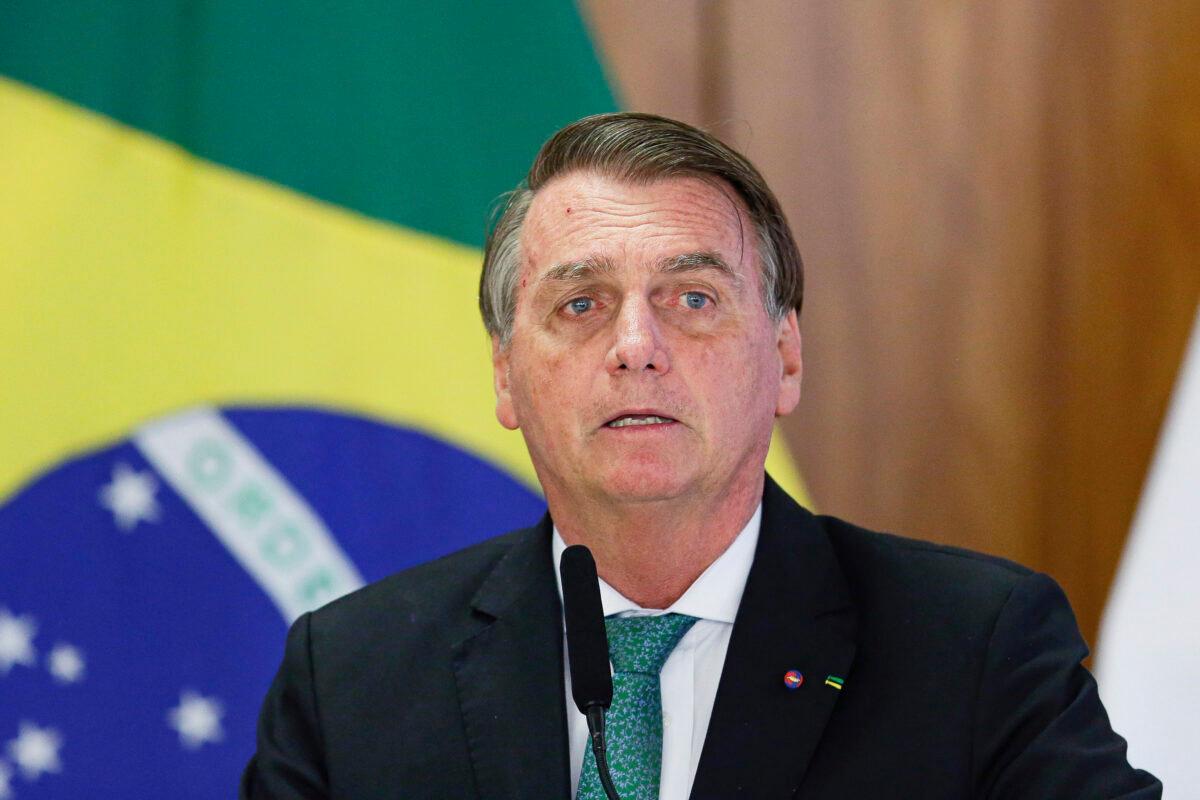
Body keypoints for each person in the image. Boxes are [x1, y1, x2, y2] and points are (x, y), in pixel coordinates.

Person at [240, 113, 1161, 799]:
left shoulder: (974, 648)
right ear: (507, 377)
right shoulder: (353, 676)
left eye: (692, 300)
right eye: (581, 304)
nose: (636, 346)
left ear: (786, 357)